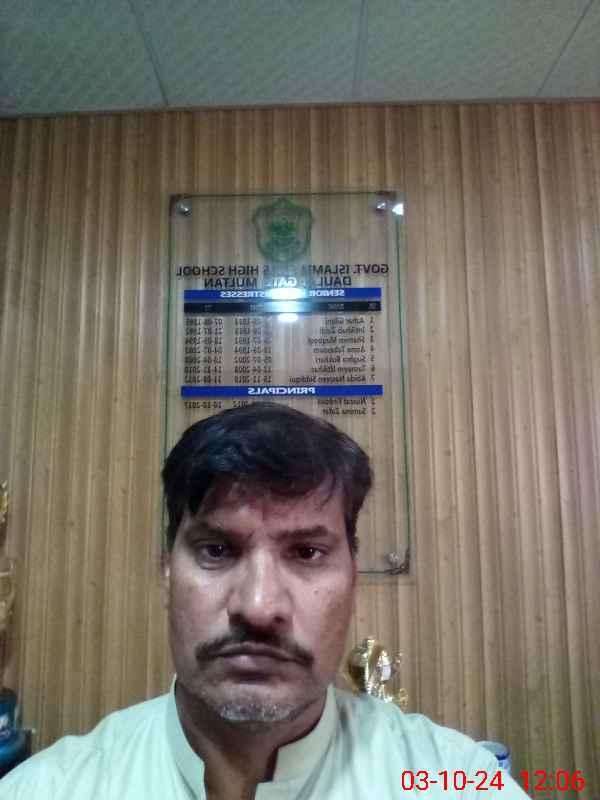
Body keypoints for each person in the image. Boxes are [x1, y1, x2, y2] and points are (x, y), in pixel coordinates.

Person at [0, 402, 528, 799]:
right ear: (167, 573)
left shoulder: (460, 782)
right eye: (216, 550)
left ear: (353, 579)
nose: (257, 606)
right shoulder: (46, 790)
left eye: (306, 552)